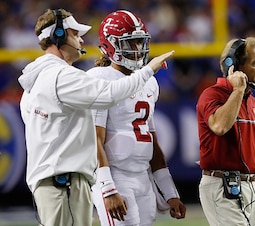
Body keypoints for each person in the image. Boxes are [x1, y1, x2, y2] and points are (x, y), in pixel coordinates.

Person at [18, 8, 174, 226]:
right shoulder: (60, 75)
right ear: (59, 36)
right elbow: (109, 94)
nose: (81, 40)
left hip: (56, 179)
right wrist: (149, 69)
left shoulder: (37, 77)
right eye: (75, 34)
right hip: (64, 180)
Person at [87, 10, 186, 226]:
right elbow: (94, 139)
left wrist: (170, 191)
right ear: (110, 45)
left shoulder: (150, 82)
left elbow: (152, 141)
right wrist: (107, 188)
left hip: (143, 176)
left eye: (140, 42)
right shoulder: (100, 79)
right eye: (130, 43)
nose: (138, 49)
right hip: (115, 175)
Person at [196, 37, 255, 226]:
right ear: (233, 65)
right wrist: (237, 91)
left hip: (248, 186)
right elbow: (219, 126)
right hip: (223, 185)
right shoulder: (212, 94)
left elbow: (252, 136)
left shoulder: (251, 100)